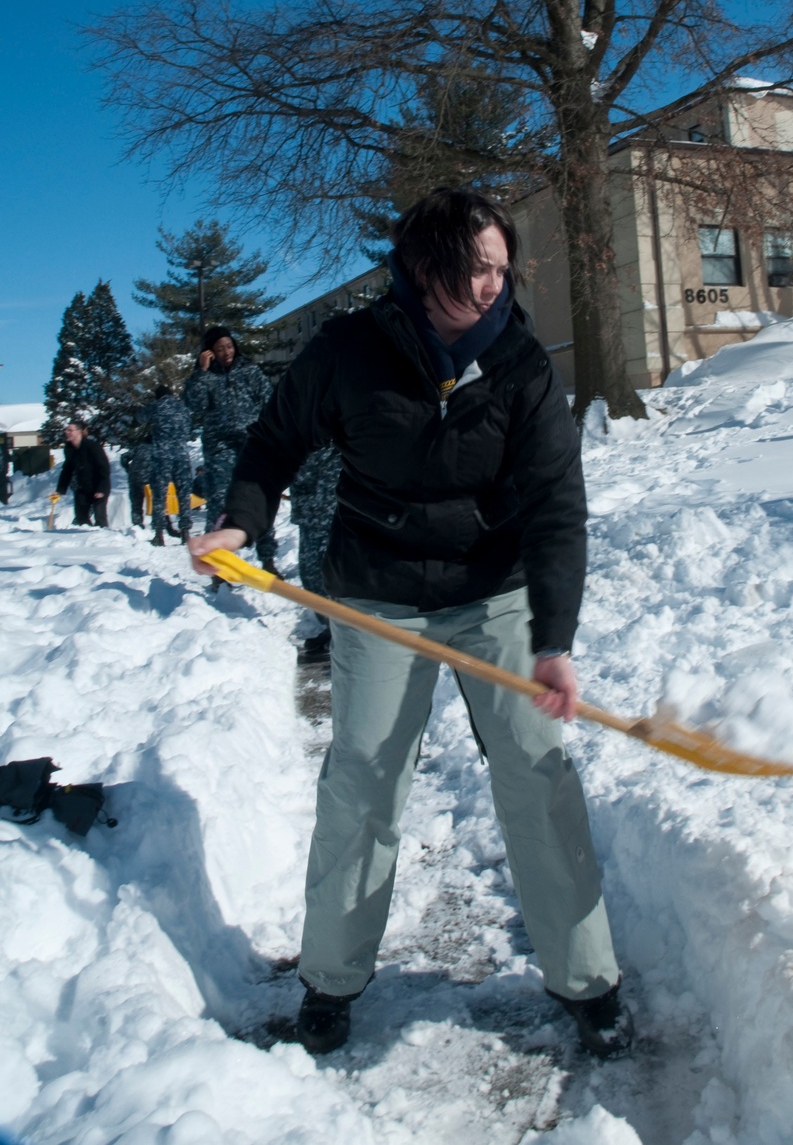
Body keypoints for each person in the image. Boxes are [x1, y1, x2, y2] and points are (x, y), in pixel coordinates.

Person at [188, 189, 632, 1060]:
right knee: (364, 775)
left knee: (537, 770)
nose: (492, 283)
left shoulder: (521, 364)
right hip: (379, 589)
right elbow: (274, 440)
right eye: (476, 266)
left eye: (502, 267)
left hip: (493, 588)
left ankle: (588, 980)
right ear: (424, 266)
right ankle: (331, 977)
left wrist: (554, 642)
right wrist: (243, 522)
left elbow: (555, 508)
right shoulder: (351, 347)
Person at [183, 326, 279, 574]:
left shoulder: (249, 371)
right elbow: (194, 407)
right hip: (220, 447)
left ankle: (268, 558)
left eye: (229, 346)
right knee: (220, 502)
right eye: (219, 349)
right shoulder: (204, 377)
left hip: (252, 443)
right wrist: (202, 372)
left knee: (259, 497)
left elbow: (270, 400)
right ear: (209, 352)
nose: (226, 352)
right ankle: (218, 566)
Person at [288, 444, 342, 663]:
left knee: (332, 574)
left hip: (337, 507)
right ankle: (334, 625)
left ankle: (341, 630)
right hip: (309, 507)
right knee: (310, 575)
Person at [146, 385, 194, 547]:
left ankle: (159, 534)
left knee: (159, 496)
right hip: (182, 456)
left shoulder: (156, 406)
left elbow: (139, 418)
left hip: (162, 456)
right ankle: (185, 533)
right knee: (184, 495)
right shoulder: (183, 408)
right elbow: (190, 430)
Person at [56, 420, 111, 527]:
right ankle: (86, 539)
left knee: (100, 519)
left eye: (70, 430)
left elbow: (104, 468)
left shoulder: (92, 446)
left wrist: (101, 489)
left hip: (98, 487)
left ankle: (104, 540)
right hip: (83, 488)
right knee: (81, 518)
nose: (67, 432)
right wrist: (60, 490)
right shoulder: (70, 449)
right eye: (66, 430)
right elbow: (67, 470)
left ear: (79, 432)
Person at [120, 433, 154, 528]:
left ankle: (137, 525)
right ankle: (157, 524)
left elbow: (124, 457)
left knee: (136, 504)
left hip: (134, 478)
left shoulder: (139, 447)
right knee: (156, 502)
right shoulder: (158, 449)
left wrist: (129, 469)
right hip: (149, 479)